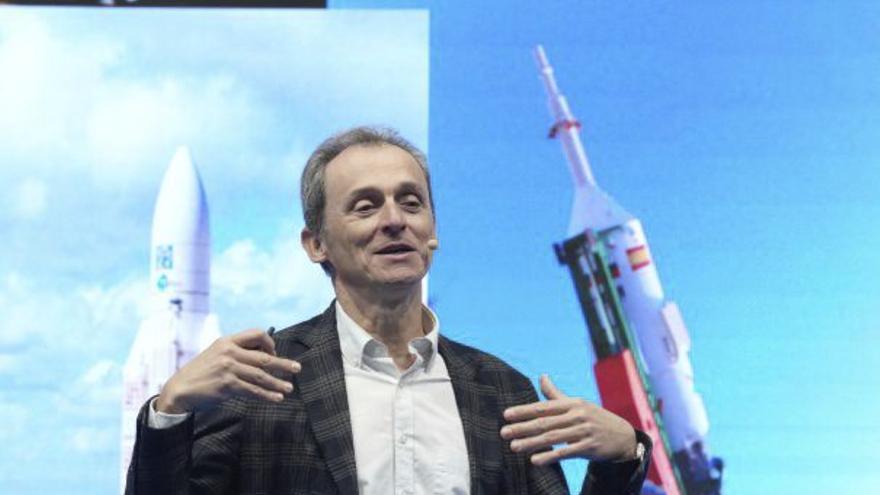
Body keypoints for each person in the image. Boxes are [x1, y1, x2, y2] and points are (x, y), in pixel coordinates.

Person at [125, 126, 653, 494]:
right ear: (316, 244)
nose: (395, 220)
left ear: (432, 232)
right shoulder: (262, 380)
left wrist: (622, 458)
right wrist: (168, 411)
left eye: (411, 202)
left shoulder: (502, 391)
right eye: (366, 206)